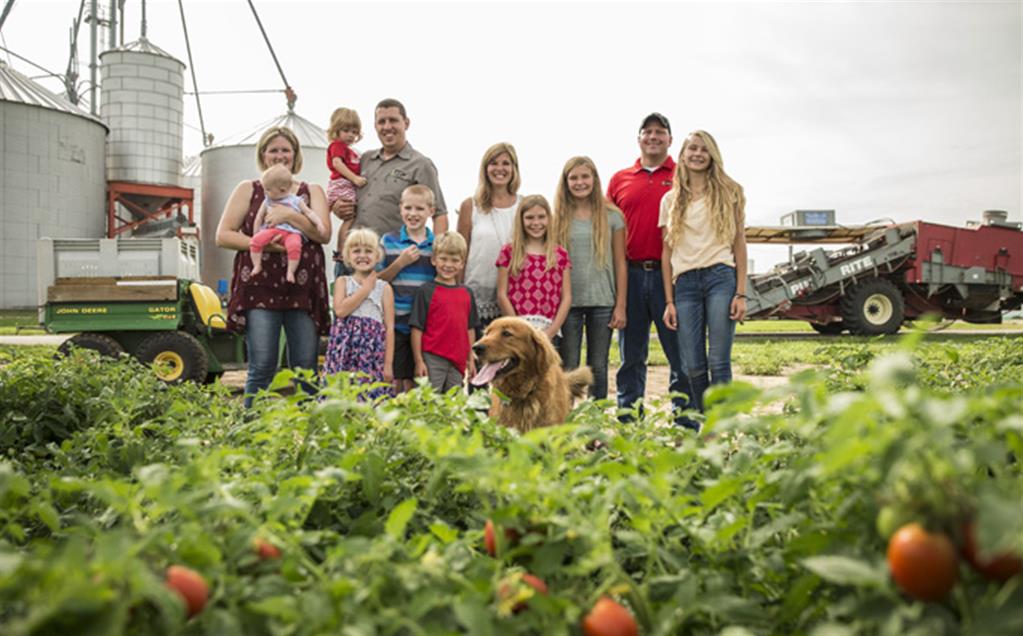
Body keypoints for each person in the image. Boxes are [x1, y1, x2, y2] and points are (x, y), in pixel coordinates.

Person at [215, 126, 331, 408]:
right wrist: (265, 245)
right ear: (263, 156)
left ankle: (310, 433)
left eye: (286, 150)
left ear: (295, 156)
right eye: (273, 150)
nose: (280, 156)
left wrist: (291, 215)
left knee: (305, 366)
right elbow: (223, 235)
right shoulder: (249, 189)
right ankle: (250, 431)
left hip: (302, 289)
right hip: (259, 288)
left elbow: (324, 234)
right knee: (263, 364)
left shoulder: (310, 191)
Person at [606, 112, 691, 424]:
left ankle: (684, 422)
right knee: (631, 356)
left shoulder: (684, 175)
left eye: (660, 132)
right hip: (630, 274)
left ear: (670, 140)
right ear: (639, 138)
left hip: (672, 279)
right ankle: (629, 421)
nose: (653, 137)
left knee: (680, 355)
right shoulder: (620, 179)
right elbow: (607, 227)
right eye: (647, 131)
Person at [661, 130, 748, 414]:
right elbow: (667, 253)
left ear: (712, 155)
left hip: (720, 277)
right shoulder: (670, 200)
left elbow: (739, 243)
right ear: (683, 155)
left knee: (718, 360)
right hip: (685, 283)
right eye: (692, 149)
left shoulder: (729, 192)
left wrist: (741, 293)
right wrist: (670, 301)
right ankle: (707, 421)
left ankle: (721, 428)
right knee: (692, 364)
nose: (697, 154)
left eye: (703, 149)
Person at [331, 98, 448, 276]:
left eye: (393, 120)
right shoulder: (365, 159)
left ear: (406, 123)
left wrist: (437, 257)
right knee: (343, 304)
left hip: (388, 260)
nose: (387, 126)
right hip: (350, 253)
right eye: (381, 122)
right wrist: (336, 206)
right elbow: (342, 187)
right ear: (375, 126)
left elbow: (439, 214)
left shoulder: (420, 165)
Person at [553, 156, 626, 400]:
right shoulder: (557, 217)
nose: (580, 182)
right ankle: (568, 423)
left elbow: (620, 262)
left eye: (585, 176)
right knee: (570, 367)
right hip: (568, 303)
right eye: (573, 178)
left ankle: (596, 424)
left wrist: (621, 305)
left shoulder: (612, 216)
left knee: (598, 366)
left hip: (603, 301)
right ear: (565, 182)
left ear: (594, 179)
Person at [457, 142, 521, 334]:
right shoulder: (470, 206)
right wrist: (458, 294)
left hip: (514, 295)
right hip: (477, 295)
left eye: (506, 163)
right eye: (494, 163)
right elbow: (461, 252)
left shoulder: (524, 206)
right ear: (485, 168)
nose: (500, 168)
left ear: (514, 169)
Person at [323, 229, 394, 401]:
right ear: (347, 256)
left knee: (370, 399)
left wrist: (388, 365)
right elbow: (340, 310)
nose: (362, 256)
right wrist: (365, 289)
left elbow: (389, 328)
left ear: (377, 256)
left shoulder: (384, 288)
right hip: (344, 353)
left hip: (371, 355)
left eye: (368, 251)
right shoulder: (343, 282)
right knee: (342, 398)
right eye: (356, 251)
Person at [378, 184, 437, 393]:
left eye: (420, 209)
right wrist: (399, 263)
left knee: (418, 379)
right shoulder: (389, 241)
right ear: (400, 208)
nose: (413, 214)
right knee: (396, 379)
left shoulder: (435, 245)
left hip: (424, 325)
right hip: (397, 324)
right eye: (408, 208)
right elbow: (377, 280)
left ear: (431, 211)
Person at [409, 232, 479, 393]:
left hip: (458, 361)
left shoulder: (467, 293)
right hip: (433, 358)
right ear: (434, 260)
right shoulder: (426, 291)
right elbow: (416, 329)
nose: (448, 265)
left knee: (454, 404)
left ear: (462, 263)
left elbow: (470, 329)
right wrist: (419, 361)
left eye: (455, 260)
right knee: (430, 402)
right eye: (443, 259)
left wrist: (470, 359)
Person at [496, 195, 571, 341]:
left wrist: (552, 330)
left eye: (541, 217)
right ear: (521, 220)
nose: (536, 223)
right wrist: (518, 328)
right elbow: (501, 294)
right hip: (517, 331)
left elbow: (566, 296)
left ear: (549, 218)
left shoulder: (560, 254)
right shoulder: (509, 252)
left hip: (548, 330)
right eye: (529, 218)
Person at [249, 164, 328, 284]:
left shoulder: (296, 200)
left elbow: (309, 213)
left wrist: (319, 224)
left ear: (283, 189)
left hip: (292, 232)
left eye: (268, 189)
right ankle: (256, 265)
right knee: (255, 242)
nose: (265, 191)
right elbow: (258, 218)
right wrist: (256, 233)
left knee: (295, 247)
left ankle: (290, 271)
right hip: (272, 230)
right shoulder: (267, 201)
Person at [326, 107, 368, 259]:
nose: (351, 135)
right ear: (336, 130)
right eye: (346, 130)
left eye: (354, 131)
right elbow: (337, 164)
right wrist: (355, 179)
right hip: (342, 184)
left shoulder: (350, 150)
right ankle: (340, 251)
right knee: (350, 217)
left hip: (343, 184)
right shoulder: (337, 146)